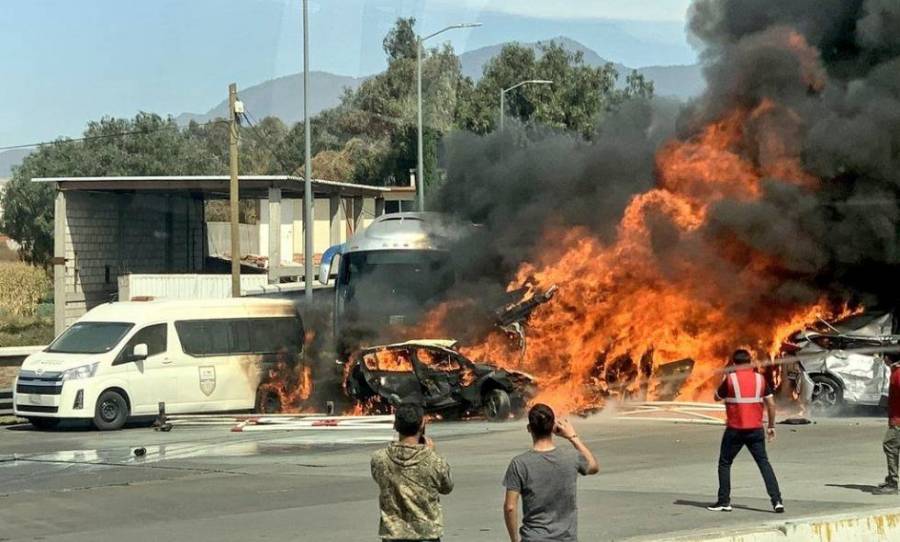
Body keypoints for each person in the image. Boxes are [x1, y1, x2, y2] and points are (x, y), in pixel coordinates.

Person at [502, 403, 600, 542]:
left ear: (529, 428)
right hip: (566, 538)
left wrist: (514, 540)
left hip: (534, 538)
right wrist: (573, 437)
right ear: (553, 427)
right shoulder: (571, 457)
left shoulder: (519, 464)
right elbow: (593, 466)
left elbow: (510, 507)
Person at [707, 349, 784, 513]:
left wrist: (723, 376)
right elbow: (771, 404)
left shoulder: (731, 379)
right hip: (756, 429)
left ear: (734, 364)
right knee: (764, 463)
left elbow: (716, 397)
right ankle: (777, 501)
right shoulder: (760, 379)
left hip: (735, 430)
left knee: (725, 463)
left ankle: (724, 502)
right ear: (750, 362)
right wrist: (771, 426)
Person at [371, 403, 454, 542]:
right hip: (426, 534)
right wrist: (430, 453)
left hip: (393, 535)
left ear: (396, 425)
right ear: (422, 424)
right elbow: (447, 487)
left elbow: (378, 478)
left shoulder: (379, 459)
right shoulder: (434, 460)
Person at [873, 353, 900, 495]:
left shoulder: (898, 374)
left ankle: (892, 482)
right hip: (895, 417)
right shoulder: (895, 372)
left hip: (898, 420)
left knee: (890, 445)